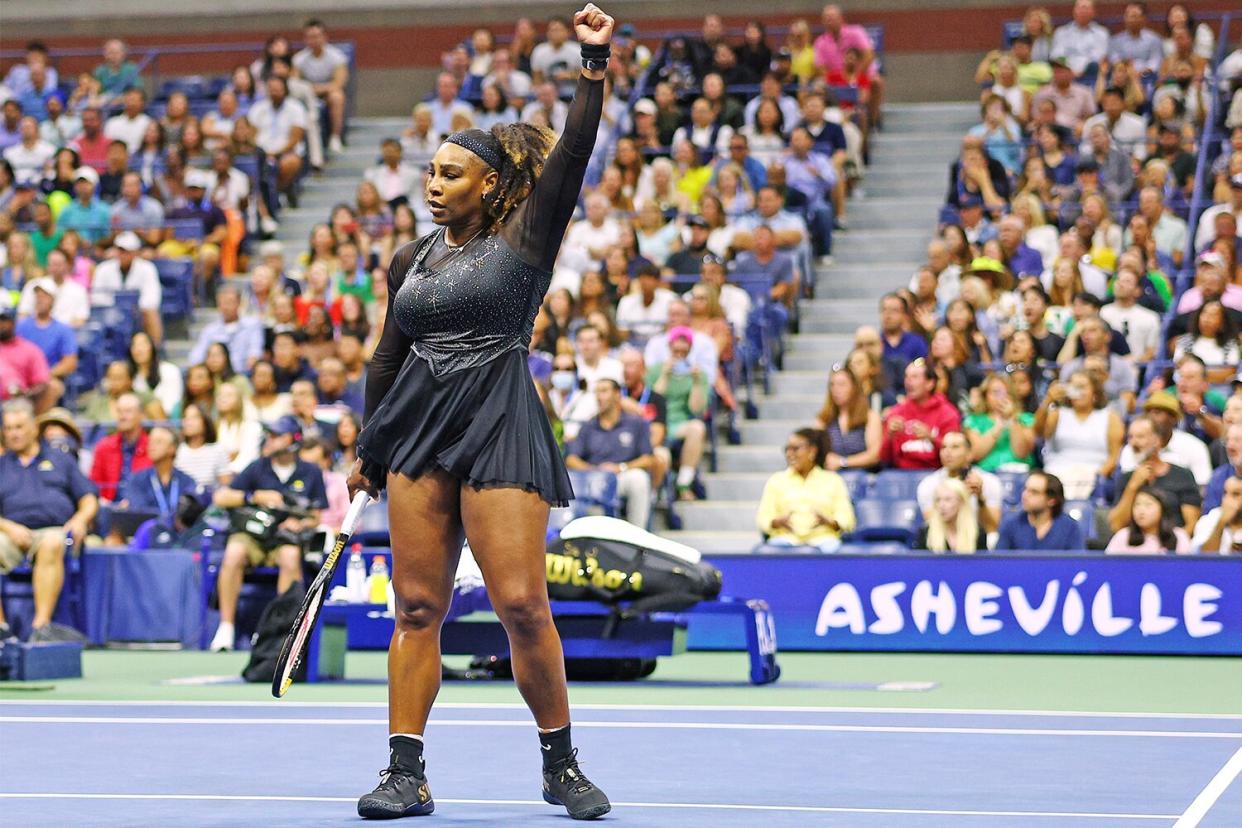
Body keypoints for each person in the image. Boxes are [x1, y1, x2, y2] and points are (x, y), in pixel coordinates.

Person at [348, 7, 615, 819]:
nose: (434, 185)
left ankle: (560, 765)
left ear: (490, 183)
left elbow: (571, 151)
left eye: (451, 175)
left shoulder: (529, 238)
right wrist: (368, 445)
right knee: (417, 606)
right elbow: (385, 358)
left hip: (499, 421)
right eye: (430, 173)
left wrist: (592, 64)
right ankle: (405, 773)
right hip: (415, 433)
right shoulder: (410, 258)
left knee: (522, 605)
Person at [208, 416, 325, 652]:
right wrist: (254, 497)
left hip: (285, 539)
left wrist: (298, 523)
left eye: (276, 435)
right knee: (233, 553)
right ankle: (226, 628)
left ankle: (282, 632)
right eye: (269, 435)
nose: (269, 440)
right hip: (253, 535)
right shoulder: (257, 467)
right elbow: (221, 497)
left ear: (294, 441)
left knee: (291, 557)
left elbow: (316, 516)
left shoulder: (310, 472)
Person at [0, 399, 98, 642]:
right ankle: (1, 630)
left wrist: (80, 519)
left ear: (34, 427)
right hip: (9, 533)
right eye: (8, 428)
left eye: (19, 427)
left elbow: (88, 498)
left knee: (53, 541)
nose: (13, 434)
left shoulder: (60, 459)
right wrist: (9, 527)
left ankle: (40, 628)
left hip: (52, 531)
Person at [564, 376, 656, 529]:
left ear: (617, 395)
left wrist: (621, 467)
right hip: (594, 478)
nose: (599, 396)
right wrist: (593, 470)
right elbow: (571, 459)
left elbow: (648, 459)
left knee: (639, 479)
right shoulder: (588, 426)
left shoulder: (636, 423)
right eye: (597, 392)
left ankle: (637, 537)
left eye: (604, 391)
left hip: (622, 475)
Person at [756, 427, 855, 553]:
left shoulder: (833, 480)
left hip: (824, 541)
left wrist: (830, 522)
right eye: (787, 449)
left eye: (795, 449)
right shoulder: (776, 480)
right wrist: (776, 522)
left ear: (812, 451)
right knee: (768, 552)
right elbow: (763, 517)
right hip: (785, 540)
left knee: (834, 551)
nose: (789, 454)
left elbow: (847, 519)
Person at [1108, 415, 1200, 534]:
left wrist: (1174, 546)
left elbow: (1192, 524)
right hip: (1136, 547)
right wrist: (1132, 487)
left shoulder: (1182, 475)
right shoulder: (1126, 478)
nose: (1133, 443)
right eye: (1130, 437)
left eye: (1140, 437)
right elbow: (1116, 525)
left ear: (1157, 440)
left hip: (1173, 546)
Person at [107, 426, 199, 544]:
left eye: (158, 442)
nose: (151, 446)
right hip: (145, 537)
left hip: (180, 539)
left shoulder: (187, 482)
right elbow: (138, 512)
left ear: (172, 449)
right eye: (150, 442)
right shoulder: (137, 479)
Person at [915, 431, 1002, 534]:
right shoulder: (928, 484)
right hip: (944, 541)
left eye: (955, 447)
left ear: (969, 454)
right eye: (943, 447)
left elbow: (991, 528)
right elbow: (934, 527)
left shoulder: (989, 482)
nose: (947, 452)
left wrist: (979, 497)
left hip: (978, 540)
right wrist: (962, 496)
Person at [881, 360, 962, 470]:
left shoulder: (948, 414)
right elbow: (883, 458)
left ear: (930, 383)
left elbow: (957, 455)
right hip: (901, 475)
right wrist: (889, 436)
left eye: (914, 377)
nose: (908, 381)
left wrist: (931, 438)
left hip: (937, 475)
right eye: (906, 376)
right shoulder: (896, 413)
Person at [90, 231, 163, 343]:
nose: (123, 254)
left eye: (126, 251)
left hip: (138, 312)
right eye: (120, 250)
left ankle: (155, 350)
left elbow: (152, 296)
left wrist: (134, 308)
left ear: (135, 252)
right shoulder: (103, 268)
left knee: (151, 313)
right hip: (111, 311)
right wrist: (116, 306)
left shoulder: (147, 268)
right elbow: (97, 297)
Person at [292, 19, 349, 155]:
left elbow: (338, 83)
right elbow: (294, 84)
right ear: (305, 39)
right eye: (310, 37)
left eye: (317, 36)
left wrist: (316, 89)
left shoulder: (337, 57)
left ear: (324, 37)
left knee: (337, 96)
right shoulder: (299, 59)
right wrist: (311, 90)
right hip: (307, 96)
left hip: (327, 94)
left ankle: (335, 137)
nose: (314, 40)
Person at [995, 472, 1086, 551]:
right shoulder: (1011, 524)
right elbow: (999, 563)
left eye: (1034, 492)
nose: (1025, 495)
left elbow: (1077, 564)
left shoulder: (1070, 527)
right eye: (1025, 489)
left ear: (1051, 500)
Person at [88, 393, 151, 503]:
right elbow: (94, 484)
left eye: (128, 411)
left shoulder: (152, 447)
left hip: (141, 508)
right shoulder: (104, 446)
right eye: (119, 411)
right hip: (109, 508)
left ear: (141, 415)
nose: (122, 417)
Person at [1105, 487, 1190, 554]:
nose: (1141, 510)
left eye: (1148, 505)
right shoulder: (1123, 536)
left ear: (1163, 509)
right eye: (1137, 505)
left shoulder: (1179, 536)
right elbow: (1107, 568)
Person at [914, 479, 987, 553]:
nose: (941, 505)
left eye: (947, 500)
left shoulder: (977, 532)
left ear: (961, 502)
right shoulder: (925, 532)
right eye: (938, 500)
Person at [1192, 473, 1242, 554]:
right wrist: (1221, 523)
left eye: (1236, 494)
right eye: (1225, 493)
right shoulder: (1210, 519)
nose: (1227, 499)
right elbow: (1203, 558)